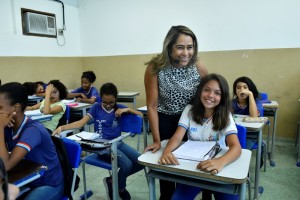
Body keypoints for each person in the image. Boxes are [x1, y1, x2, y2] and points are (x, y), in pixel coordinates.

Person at [143, 25, 207, 199]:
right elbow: (152, 106)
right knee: (167, 167)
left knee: (189, 167)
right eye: (180, 47)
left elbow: (208, 97)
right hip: (166, 120)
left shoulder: (198, 66)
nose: (186, 53)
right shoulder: (155, 68)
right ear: (169, 47)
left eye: (190, 47)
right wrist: (157, 140)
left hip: (192, 122)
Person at [53, 82, 143, 200]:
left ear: (116, 99)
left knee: (140, 161)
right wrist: (62, 127)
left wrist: (127, 110)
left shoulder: (119, 107)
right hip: (102, 146)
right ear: (101, 99)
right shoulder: (96, 107)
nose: (108, 105)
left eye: (111, 102)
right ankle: (120, 188)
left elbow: (141, 114)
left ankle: (112, 181)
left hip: (117, 143)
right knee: (127, 165)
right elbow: (81, 123)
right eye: (105, 102)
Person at [158, 74, 241, 200]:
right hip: (192, 169)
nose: (210, 95)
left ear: (223, 96)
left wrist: (220, 162)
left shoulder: (225, 115)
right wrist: (167, 151)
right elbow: (177, 136)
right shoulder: (189, 110)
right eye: (206, 90)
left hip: (217, 169)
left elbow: (236, 147)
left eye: (217, 93)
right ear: (200, 91)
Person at [0, 82, 64, 199]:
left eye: (0, 108)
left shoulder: (33, 130)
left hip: (48, 184)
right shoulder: (8, 126)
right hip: (26, 178)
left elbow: (6, 165)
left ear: (16, 107)